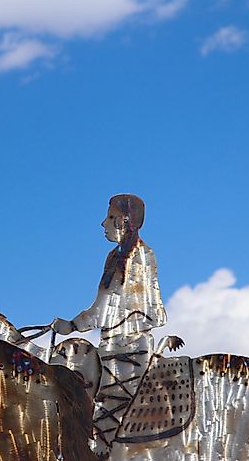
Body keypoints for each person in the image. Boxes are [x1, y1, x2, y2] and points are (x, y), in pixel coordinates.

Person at [52, 194, 166, 457]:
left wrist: (72, 325)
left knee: (106, 419)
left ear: (125, 221)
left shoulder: (140, 256)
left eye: (111, 217)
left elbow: (105, 308)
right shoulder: (115, 257)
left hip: (128, 349)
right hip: (113, 345)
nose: (103, 223)